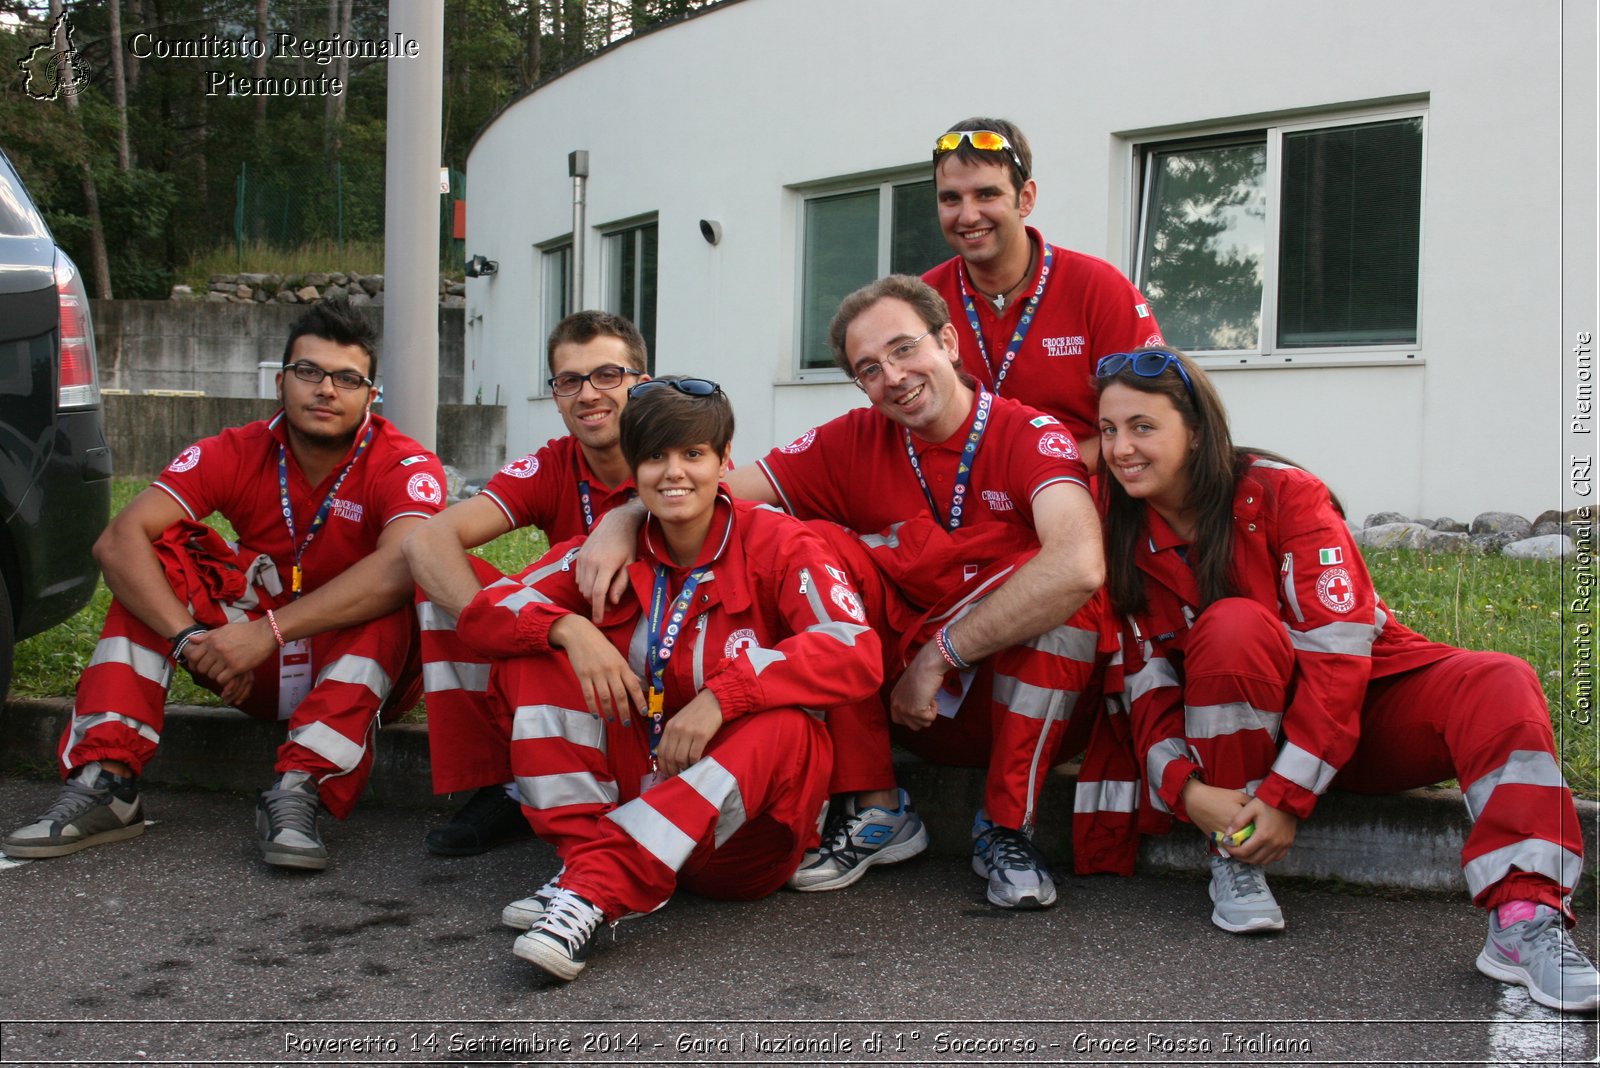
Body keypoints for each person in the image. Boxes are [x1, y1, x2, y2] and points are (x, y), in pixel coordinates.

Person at [581, 275, 1114, 908]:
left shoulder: (1031, 433)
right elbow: (714, 489)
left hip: (1008, 698)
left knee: (1071, 603)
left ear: (947, 341)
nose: (892, 375)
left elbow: (1080, 564)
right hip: (900, 706)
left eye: (904, 349)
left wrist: (941, 654)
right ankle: (878, 806)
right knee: (815, 544)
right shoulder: (855, 438)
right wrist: (623, 517)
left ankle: (1007, 829)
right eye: (869, 369)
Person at [1095, 346, 1599, 1013]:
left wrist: (1286, 796)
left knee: (1501, 678)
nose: (1122, 447)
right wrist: (1189, 794)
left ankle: (1525, 917)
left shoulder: (1283, 493)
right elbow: (1144, 687)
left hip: (1360, 711)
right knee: (1235, 627)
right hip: (1251, 757)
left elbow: (1339, 663)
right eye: (1108, 430)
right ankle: (1237, 856)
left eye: (1142, 427)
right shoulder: (1116, 530)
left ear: (1195, 431)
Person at [454, 377, 882, 981]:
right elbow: (483, 615)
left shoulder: (782, 543)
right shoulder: (608, 551)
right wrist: (572, 633)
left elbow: (855, 653)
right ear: (632, 468)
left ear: (724, 461)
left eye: (693, 454)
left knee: (790, 727)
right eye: (654, 456)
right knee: (536, 656)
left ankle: (594, 887)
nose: (673, 472)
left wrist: (724, 696)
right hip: (639, 788)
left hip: (738, 848)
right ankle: (589, 873)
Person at [1, 300, 446, 871]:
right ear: (281, 381)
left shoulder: (404, 464)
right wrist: (190, 640)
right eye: (309, 372)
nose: (326, 390)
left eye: (347, 378)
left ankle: (299, 791)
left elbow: (403, 567)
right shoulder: (234, 450)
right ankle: (108, 784)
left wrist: (268, 632)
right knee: (153, 559)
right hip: (244, 666)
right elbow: (118, 540)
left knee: (396, 585)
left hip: (356, 662)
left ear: (370, 394)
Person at [403, 311, 648, 857]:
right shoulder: (552, 463)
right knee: (444, 588)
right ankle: (504, 786)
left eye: (608, 375)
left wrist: (628, 515)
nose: (588, 394)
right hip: (570, 643)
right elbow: (426, 540)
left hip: (653, 654)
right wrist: (502, 624)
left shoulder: (673, 453)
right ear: (556, 396)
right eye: (569, 381)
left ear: (642, 384)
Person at [923, 118, 1165, 471]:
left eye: (987, 194)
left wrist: (1033, 469)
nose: (968, 215)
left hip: (1084, 503)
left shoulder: (1098, 288)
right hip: (963, 509)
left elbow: (1153, 422)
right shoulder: (922, 301)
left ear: (1026, 198)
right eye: (950, 199)